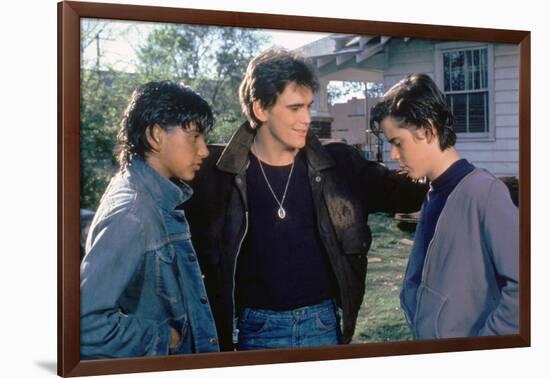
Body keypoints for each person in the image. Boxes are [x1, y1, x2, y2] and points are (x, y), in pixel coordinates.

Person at [185, 49, 427, 351]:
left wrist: (430, 141)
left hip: (323, 324)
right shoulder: (213, 173)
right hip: (254, 330)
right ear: (261, 108)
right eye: (295, 107)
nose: (307, 119)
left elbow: (406, 192)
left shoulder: (337, 163)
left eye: (309, 106)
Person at [369, 73, 519, 339]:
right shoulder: (434, 193)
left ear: (427, 130)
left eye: (397, 142)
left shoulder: (484, 193)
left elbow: (526, 287)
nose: (393, 155)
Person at [80, 81, 220, 359]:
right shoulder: (132, 213)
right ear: (156, 135)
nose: (204, 150)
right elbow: (84, 325)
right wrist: (164, 338)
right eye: (194, 136)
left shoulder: (151, 196)